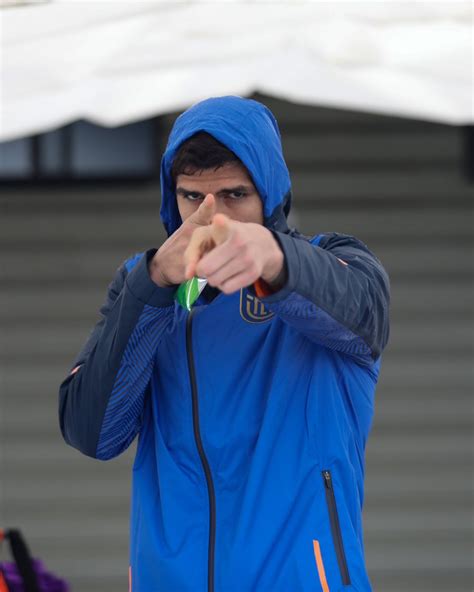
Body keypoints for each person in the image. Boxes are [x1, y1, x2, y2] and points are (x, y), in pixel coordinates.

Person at [58, 95, 390, 592]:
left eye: (235, 195)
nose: (213, 218)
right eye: (192, 197)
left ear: (271, 195)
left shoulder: (334, 263)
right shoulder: (145, 287)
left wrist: (275, 260)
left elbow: (364, 314)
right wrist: (153, 286)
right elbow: (92, 432)